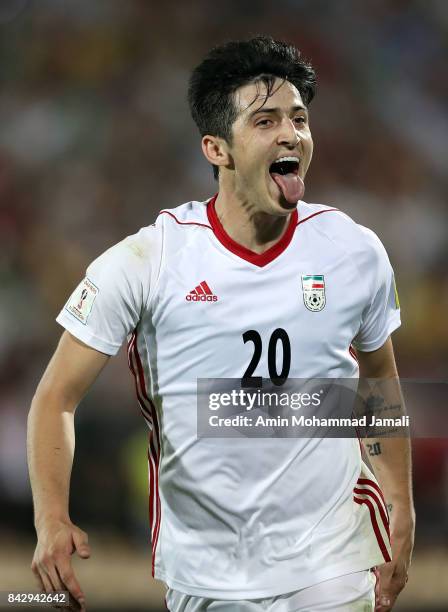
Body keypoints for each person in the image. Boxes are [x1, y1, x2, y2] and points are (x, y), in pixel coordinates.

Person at [27, 36, 415, 611]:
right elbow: (55, 397)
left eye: (299, 119)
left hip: (330, 559)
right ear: (217, 148)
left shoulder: (353, 250)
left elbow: (377, 379)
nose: (291, 135)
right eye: (265, 121)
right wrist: (52, 519)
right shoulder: (147, 262)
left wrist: (400, 500)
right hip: (205, 571)